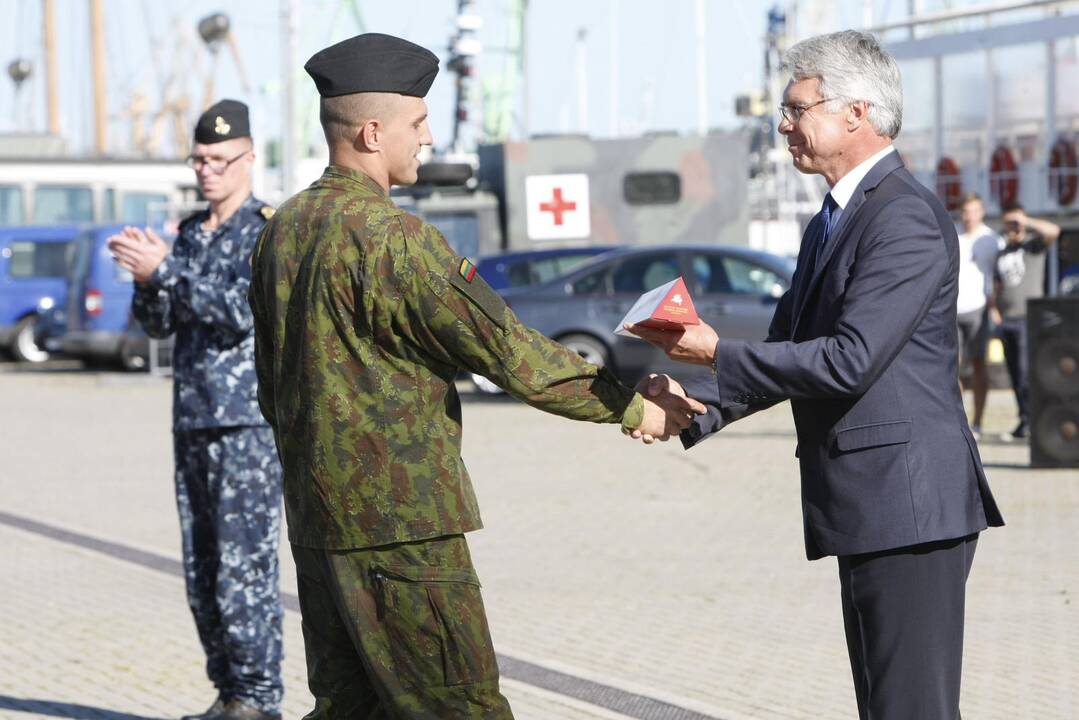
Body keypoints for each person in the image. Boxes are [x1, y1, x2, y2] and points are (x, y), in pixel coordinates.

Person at [248, 33, 703, 720]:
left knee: (348, 707)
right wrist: (633, 409)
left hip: (317, 521)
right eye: (417, 123)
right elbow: (509, 352)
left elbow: (270, 384)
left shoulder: (282, 230)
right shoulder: (393, 240)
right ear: (373, 133)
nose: (427, 138)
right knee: (461, 708)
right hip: (405, 532)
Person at [625, 30, 1004, 720]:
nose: (782, 125)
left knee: (909, 709)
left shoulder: (903, 218)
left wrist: (713, 353)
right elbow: (785, 347)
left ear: (856, 113)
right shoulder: (832, 219)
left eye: (797, 108)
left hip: (909, 509)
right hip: (870, 505)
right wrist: (693, 401)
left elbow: (849, 358)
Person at [108, 100, 284, 720]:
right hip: (192, 418)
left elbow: (242, 311)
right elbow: (159, 323)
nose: (206, 170)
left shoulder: (266, 231)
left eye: (218, 159)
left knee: (246, 569)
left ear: (248, 158)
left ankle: (260, 700)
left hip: (246, 424)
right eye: (199, 159)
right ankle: (230, 692)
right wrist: (144, 275)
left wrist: (169, 273)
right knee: (203, 569)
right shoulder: (187, 234)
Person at [988, 201, 1061, 440]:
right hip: (1006, 319)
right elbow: (998, 286)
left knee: (1028, 372)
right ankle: (1024, 419)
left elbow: (1054, 231)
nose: (1012, 227)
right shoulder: (1002, 252)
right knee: (1014, 373)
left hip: (1028, 318)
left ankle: (1034, 420)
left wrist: (1025, 222)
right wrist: (994, 308)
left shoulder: (1033, 246)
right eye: (1008, 222)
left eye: (1015, 222)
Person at [955, 192, 1003, 437]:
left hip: (979, 309)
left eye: (972, 211)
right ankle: (958, 420)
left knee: (978, 364)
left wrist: (995, 306)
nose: (968, 216)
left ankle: (978, 421)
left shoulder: (992, 239)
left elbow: (1000, 277)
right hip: (952, 309)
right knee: (952, 366)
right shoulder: (952, 233)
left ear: (981, 212)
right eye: (964, 211)